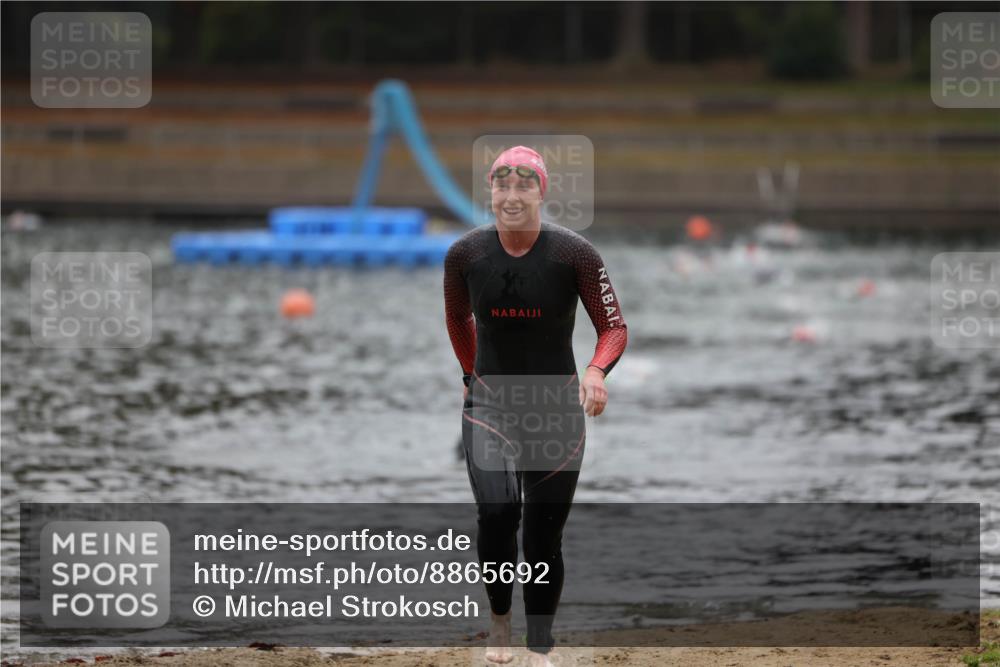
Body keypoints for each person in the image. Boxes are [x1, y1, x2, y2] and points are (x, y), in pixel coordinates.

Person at [443, 146, 628, 666]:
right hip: (489, 405)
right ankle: (500, 624)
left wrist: (595, 372)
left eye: (524, 184)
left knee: (543, 537)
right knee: (498, 513)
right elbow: (458, 320)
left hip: (555, 410)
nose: (511, 194)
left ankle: (540, 648)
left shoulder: (574, 254)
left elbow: (613, 327)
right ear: (491, 194)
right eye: (502, 184)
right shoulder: (465, 255)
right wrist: (468, 373)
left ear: (541, 193)